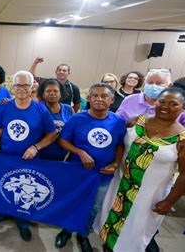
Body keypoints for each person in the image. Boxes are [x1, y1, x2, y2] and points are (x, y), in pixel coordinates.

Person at [94, 87, 185, 252]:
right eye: (162, 101)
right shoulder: (139, 120)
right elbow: (121, 143)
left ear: (183, 108)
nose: (165, 106)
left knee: (134, 234)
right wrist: (116, 163)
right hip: (120, 187)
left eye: (174, 104)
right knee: (110, 225)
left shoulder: (183, 139)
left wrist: (169, 202)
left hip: (148, 196)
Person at [0, 71, 57, 242]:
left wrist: (36, 147)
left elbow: (52, 134)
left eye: (25, 85)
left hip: (29, 161)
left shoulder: (40, 109)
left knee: (26, 192)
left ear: (31, 87)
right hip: (5, 158)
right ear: (12, 87)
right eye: (18, 85)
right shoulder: (5, 107)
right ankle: (1, 213)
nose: (21, 88)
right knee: (5, 186)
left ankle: (23, 222)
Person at [54, 83, 126, 252]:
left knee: (93, 207)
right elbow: (63, 140)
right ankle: (66, 230)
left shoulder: (118, 122)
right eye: (95, 95)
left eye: (104, 96)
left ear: (112, 100)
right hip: (78, 172)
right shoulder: (77, 119)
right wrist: (80, 152)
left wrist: (116, 163)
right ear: (89, 98)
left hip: (103, 174)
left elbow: (120, 145)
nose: (99, 99)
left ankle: (82, 233)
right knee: (72, 201)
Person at [117, 68, 185, 127]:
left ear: (169, 85)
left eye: (159, 83)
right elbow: (117, 122)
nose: (153, 86)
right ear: (145, 84)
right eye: (150, 82)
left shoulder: (175, 105)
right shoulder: (130, 100)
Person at [36, 78, 73, 161]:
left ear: (61, 94)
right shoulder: (38, 108)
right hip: (40, 155)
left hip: (61, 156)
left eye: (55, 91)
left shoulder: (69, 109)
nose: (52, 93)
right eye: (48, 91)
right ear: (43, 94)